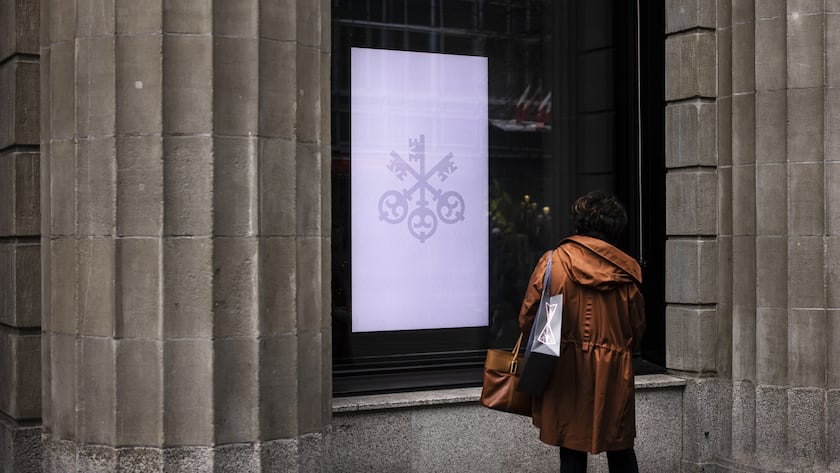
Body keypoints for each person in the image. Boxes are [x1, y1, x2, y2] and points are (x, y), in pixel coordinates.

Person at [518, 191, 645, 473]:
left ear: (579, 224)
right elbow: (636, 330)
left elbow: (527, 318)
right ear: (615, 229)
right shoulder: (627, 273)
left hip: (566, 368)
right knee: (621, 448)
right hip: (613, 372)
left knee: (571, 449)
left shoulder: (554, 262)